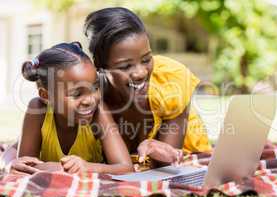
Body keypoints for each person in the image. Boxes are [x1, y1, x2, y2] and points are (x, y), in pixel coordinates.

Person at [84, 7, 212, 167]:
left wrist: (154, 147)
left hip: (186, 155)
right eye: (125, 66)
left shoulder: (169, 79)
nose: (140, 73)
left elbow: (167, 163)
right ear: (100, 65)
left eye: (146, 60)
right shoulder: (89, 95)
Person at [5, 42, 133, 175]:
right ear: (46, 95)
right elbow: (25, 167)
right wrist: (12, 163)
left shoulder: (99, 112)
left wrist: (86, 167)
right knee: (10, 152)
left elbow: (126, 168)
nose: (90, 100)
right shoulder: (37, 110)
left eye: (95, 87)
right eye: (76, 94)